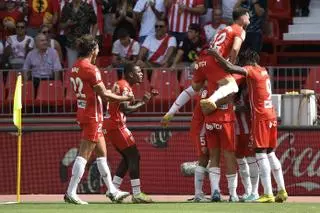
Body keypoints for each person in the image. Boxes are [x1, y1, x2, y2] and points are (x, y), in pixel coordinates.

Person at [210, 47, 288, 203]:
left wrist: (216, 55)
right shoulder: (263, 70)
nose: (242, 67)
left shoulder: (250, 69)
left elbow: (230, 68)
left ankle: (267, 193)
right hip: (271, 114)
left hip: (260, 117)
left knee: (260, 154)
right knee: (271, 153)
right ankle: (282, 190)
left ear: (248, 62)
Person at [64, 34, 132, 205]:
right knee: (84, 155)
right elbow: (105, 94)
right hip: (92, 115)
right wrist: (125, 98)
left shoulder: (75, 67)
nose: (98, 52)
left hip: (84, 111)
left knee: (102, 154)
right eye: (97, 50)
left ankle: (111, 190)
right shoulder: (91, 69)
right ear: (93, 50)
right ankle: (71, 192)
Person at [162, 8, 249, 122]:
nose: (249, 19)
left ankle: (170, 112)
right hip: (214, 62)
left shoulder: (224, 29)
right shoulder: (240, 30)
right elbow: (235, 48)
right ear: (242, 18)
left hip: (202, 60)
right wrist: (230, 65)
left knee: (194, 88)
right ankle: (212, 100)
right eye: (248, 17)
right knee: (232, 86)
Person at [103, 63, 158, 203]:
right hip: (117, 125)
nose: (141, 74)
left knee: (127, 158)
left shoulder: (121, 84)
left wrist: (146, 99)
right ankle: (137, 193)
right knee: (134, 156)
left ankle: (113, 189)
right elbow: (126, 108)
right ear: (130, 74)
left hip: (111, 125)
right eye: (138, 72)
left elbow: (122, 105)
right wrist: (144, 102)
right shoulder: (125, 86)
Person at [162, 88, 209, 202]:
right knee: (205, 157)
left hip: (208, 125)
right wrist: (171, 112)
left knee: (211, 158)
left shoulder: (215, 82)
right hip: (201, 126)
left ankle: (210, 191)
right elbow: (188, 92)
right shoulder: (206, 80)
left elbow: (188, 92)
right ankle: (198, 194)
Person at [234, 83, 260, 202]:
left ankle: (255, 192)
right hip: (235, 131)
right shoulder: (231, 92)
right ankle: (247, 191)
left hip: (248, 130)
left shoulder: (248, 91)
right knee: (240, 161)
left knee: (251, 160)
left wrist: (233, 108)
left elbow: (251, 107)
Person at [60, 0, 97, 68]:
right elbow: (61, 25)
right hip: (71, 43)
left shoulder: (88, 7)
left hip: (85, 43)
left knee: (86, 67)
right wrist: (67, 23)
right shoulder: (67, 7)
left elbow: (95, 23)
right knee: (72, 67)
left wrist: (93, 37)